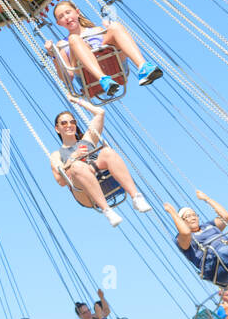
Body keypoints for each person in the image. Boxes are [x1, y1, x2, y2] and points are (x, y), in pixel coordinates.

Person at [49, 95, 152, 226]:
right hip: (85, 192)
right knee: (77, 167)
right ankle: (107, 210)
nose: (69, 125)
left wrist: (77, 100)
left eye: (72, 122)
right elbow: (61, 181)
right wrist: (74, 156)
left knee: (107, 152)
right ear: (57, 128)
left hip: (103, 177)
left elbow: (100, 113)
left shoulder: (88, 139)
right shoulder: (56, 155)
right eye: (64, 123)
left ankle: (136, 197)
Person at [47, 0, 162, 98]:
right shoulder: (62, 44)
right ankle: (103, 79)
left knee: (115, 26)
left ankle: (143, 66)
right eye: (61, 16)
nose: (66, 17)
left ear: (77, 12)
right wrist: (54, 56)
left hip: (111, 64)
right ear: (59, 23)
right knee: (74, 39)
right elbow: (67, 79)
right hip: (86, 76)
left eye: (68, 12)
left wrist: (109, 29)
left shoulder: (97, 30)